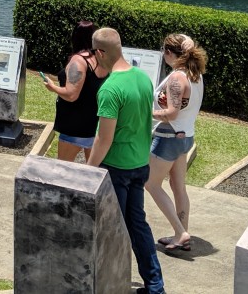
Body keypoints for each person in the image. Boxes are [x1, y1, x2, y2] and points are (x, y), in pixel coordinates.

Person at [88, 27, 165, 294]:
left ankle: (110, 284)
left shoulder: (110, 89)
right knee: (138, 225)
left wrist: (88, 171)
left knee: (111, 230)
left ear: (100, 52)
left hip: (116, 170)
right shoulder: (143, 79)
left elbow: (104, 139)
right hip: (139, 166)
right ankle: (155, 285)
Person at [145, 33, 207, 252]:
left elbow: (171, 113)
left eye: (164, 50)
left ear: (170, 53)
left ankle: (180, 233)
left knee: (151, 183)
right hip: (185, 136)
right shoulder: (195, 74)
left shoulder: (176, 78)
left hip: (168, 137)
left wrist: (147, 113)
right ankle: (182, 231)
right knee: (178, 186)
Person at [41, 20, 107, 163]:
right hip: (96, 125)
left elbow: (71, 95)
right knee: (94, 174)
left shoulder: (78, 61)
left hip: (75, 126)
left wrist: (52, 87)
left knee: (63, 170)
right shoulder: (102, 59)